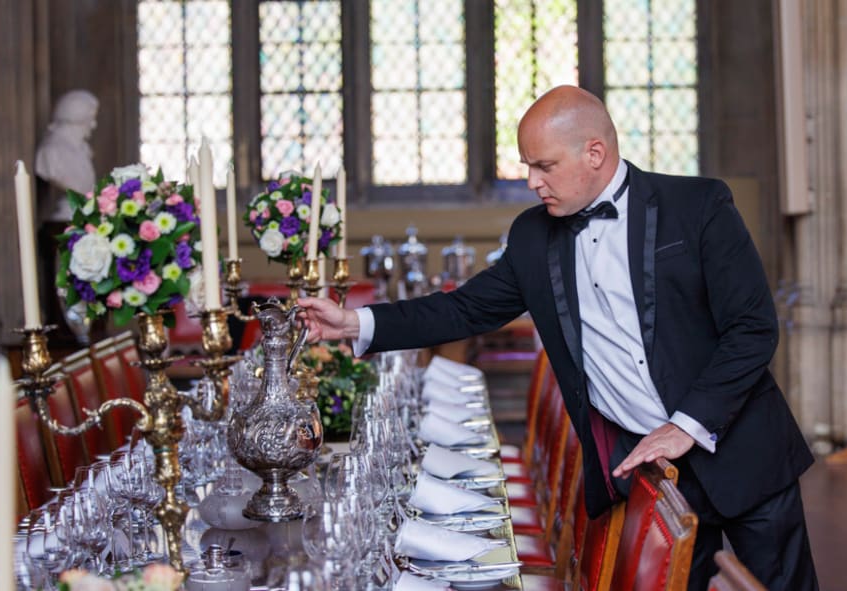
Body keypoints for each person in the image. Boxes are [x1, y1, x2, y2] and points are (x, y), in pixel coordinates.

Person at [297, 85, 817, 590]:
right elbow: (464, 308)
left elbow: (752, 329)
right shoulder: (532, 236)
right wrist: (356, 323)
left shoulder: (697, 206)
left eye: (544, 166)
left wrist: (686, 424)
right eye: (527, 166)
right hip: (649, 468)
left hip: (741, 449)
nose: (531, 181)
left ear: (595, 152)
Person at [35, 89, 99, 221]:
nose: (93, 125)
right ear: (75, 120)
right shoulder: (52, 151)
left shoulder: (83, 150)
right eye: (90, 120)